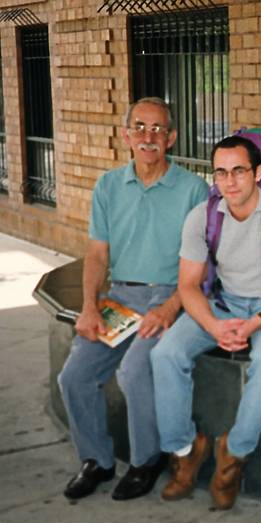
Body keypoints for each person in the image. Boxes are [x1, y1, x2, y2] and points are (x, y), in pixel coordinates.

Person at [151, 135, 261, 510]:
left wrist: (257, 322)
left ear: (258, 173)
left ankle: (233, 455)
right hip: (226, 303)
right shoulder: (203, 216)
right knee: (165, 354)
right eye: (221, 173)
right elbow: (188, 285)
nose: (230, 181)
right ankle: (184, 449)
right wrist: (212, 325)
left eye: (239, 171)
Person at [57, 97, 209, 501]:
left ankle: (146, 460)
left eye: (158, 129)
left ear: (172, 138)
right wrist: (90, 307)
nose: (149, 136)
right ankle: (97, 461)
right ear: (126, 136)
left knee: (135, 370)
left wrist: (171, 306)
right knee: (73, 376)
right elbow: (97, 255)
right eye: (140, 127)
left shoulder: (194, 189)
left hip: (170, 297)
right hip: (120, 296)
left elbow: (201, 265)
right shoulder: (108, 186)